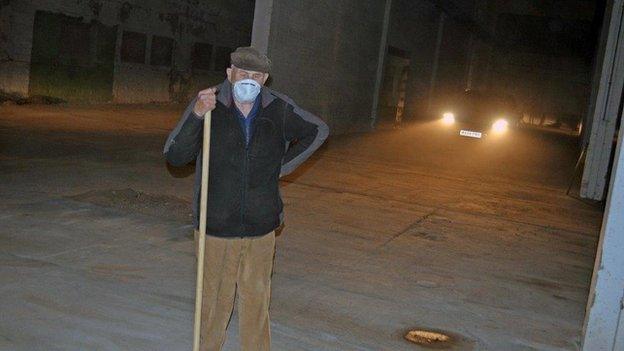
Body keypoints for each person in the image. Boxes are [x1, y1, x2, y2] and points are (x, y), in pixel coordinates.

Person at [163, 46, 329, 351]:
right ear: (230, 74)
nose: (248, 80)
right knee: (212, 303)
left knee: (256, 301)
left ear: (265, 79)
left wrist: (281, 167)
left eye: (256, 75)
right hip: (215, 226)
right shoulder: (209, 103)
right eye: (243, 73)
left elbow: (318, 130)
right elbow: (175, 155)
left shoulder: (278, 108)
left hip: (261, 226)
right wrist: (197, 116)